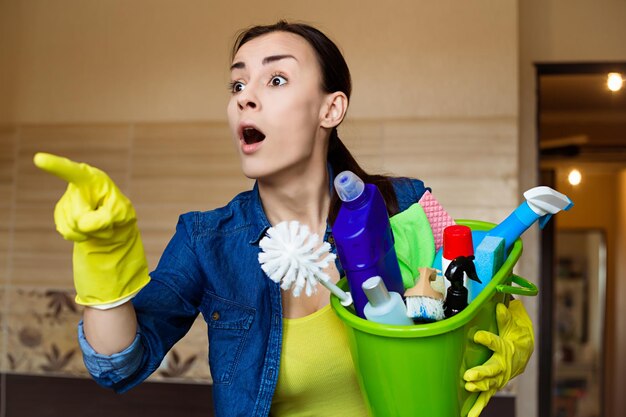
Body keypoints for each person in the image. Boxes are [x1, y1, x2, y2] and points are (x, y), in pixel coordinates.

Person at [34, 21, 534, 417]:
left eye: (275, 79)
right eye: (237, 83)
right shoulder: (207, 240)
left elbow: (477, 298)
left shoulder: (407, 205)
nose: (244, 97)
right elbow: (119, 365)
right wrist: (105, 260)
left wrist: (512, 343)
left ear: (330, 109)